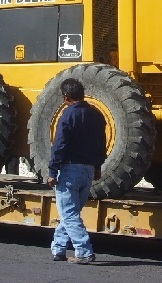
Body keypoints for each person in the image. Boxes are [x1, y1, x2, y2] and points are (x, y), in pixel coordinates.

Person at [47, 78, 107, 264]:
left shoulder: (67, 115)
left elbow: (60, 145)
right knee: (70, 213)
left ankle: (84, 252)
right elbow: (101, 144)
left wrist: (52, 170)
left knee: (69, 214)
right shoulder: (97, 115)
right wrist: (97, 166)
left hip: (70, 170)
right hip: (88, 171)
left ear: (66, 97)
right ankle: (58, 249)